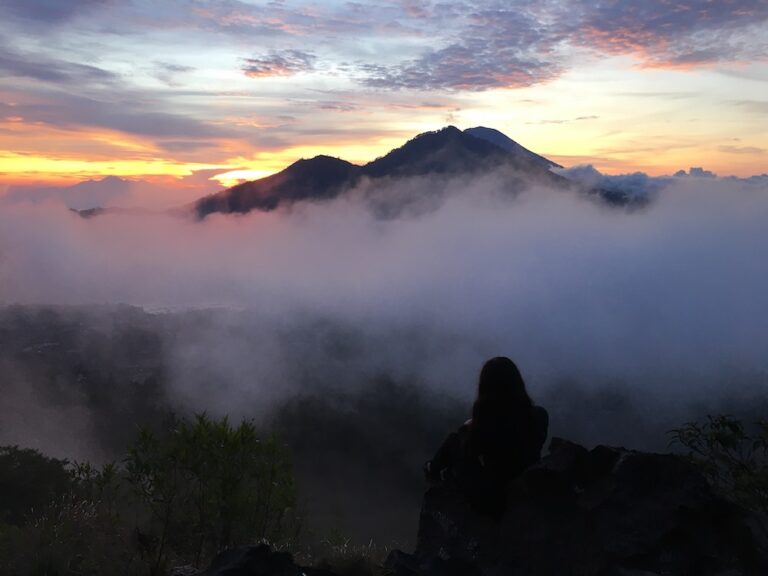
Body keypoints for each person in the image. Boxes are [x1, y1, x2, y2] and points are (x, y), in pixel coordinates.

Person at [424, 357, 548, 519]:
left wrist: (468, 428)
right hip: (526, 486)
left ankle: (432, 469)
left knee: (455, 439)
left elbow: (470, 453)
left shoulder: (486, 423)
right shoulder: (539, 415)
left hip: (494, 499)